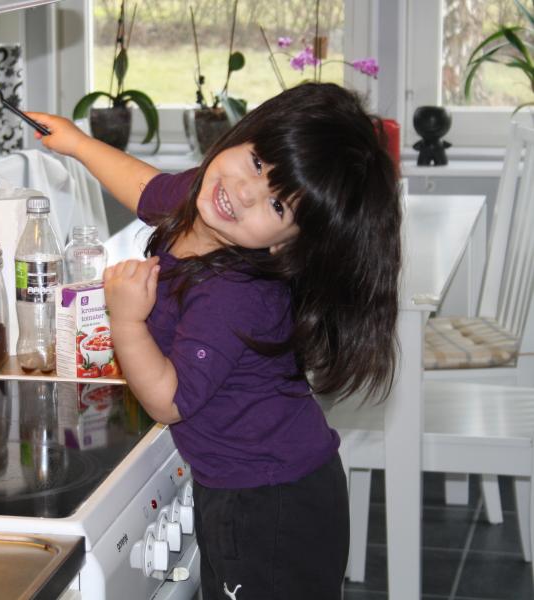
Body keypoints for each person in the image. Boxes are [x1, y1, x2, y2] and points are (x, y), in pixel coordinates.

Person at [27, 82, 402, 600]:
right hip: (256, 485)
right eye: (257, 161)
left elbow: (170, 400)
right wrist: (78, 144)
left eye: (276, 204)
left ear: (287, 244)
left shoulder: (235, 292)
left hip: (270, 507)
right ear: (244, 135)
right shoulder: (202, 205)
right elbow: (145, 188)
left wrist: (127, 321)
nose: (245, 191)